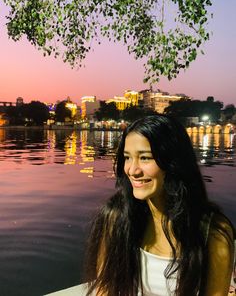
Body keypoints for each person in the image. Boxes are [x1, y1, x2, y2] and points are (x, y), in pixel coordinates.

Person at [45, 115, 235, 296]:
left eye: (145, 158)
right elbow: (106, 290)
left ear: (174, 162)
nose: (132, 170)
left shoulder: (212, 232)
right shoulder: (116, 217)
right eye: (127, 157)